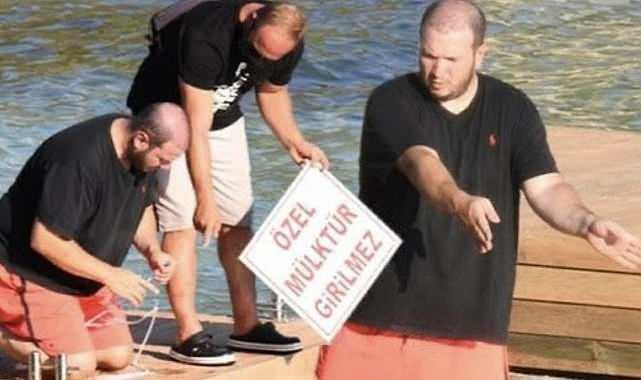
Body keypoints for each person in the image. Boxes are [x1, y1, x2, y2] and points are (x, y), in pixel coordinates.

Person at [316, 1, 641, 379]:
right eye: (428, 55)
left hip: (472, 332)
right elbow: (422, 164)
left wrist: (586, 223)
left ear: (480, 54)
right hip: (377, 323)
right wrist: (461, 201)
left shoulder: (514, 109)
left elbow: (547, 187)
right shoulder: (391, 101)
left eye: (451, 59)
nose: (437, 71)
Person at [127, 0, 329, 364]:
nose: (264, 60)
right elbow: (196, 128)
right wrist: (205, 198)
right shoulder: (208, 32)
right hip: (169, 116)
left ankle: (247, 327)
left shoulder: (286, 40)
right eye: (258, 51)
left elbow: (272, 92)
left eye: (274, 56)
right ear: (251, 19)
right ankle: (187, 333)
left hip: (222, 115)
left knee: (238, 217)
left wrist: (294, 141)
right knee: (182, 217)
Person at [0, 103, 190, 379]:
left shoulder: (139, 153)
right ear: (141, 139)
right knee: (75, 367)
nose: (166, 167)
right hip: (29, 270)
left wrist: (152, 249)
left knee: (117, 357)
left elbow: (141, 207)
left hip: (81, 275)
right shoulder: (77, 161)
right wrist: (110, 275)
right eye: (163, 160)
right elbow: (46, 241)